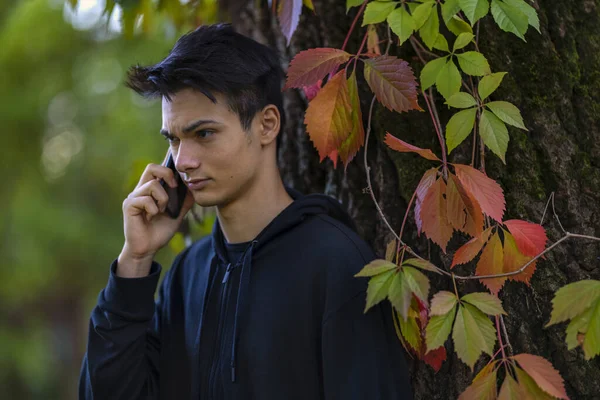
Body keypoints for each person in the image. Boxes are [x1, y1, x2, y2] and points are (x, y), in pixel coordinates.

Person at [78, 22, 412, 400]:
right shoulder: (188, 274)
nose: (183, 160)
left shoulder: (335, 263)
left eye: (203, 133)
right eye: (173, 139)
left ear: (267, 125)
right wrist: (134, 261)